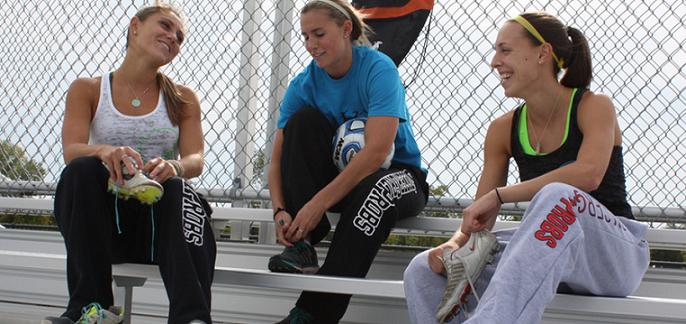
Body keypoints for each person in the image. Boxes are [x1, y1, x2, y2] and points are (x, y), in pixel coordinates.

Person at [403, 12, 650, 324]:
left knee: (559, 196)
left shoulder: (594, 106)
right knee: (423, 270)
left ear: (542, 54)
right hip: (547, 252)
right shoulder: (502, 129)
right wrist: (453, 247)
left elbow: (589, 174)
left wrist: (500, 195)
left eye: (505, 50)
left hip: (616, 256)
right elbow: (479, 219)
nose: (494, 61)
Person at [44, 5, 215, 324]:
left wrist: (174, 167)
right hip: (107, 228)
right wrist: (104, 151)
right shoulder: (89, 89)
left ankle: (191, 318)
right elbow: (71, 150)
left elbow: (196, 159)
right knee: (81, 168)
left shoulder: (182, 97)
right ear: (135, 26)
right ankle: (90, 310)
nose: (173, 38)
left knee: (178, 187)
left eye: (179, 37)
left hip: (157, 228)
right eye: (165, 26)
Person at [266, 0, 429, 323]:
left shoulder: (378, 69)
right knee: (302, 123)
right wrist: (280, 210)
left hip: (398, 177)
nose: (311, 45)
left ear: (345, 29)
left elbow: (377, 153)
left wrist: (318, 203)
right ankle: (303, 244)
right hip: (342, 184)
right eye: (305, 36)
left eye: (319, 34)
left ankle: (310, 315)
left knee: (376, 193)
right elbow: (277, 160)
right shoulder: (304, 83)